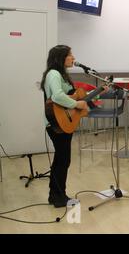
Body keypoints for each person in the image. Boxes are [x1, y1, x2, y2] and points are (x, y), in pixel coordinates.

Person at [40, 45, 89, 208]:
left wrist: (82, 101)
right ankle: (58, 197)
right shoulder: (54, 74)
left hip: (62, 121)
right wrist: (77, 103)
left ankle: (56, 195)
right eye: (70, 55)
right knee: (62, 160)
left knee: (62, 159)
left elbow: (68, 95)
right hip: (57, 122)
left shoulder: (60, 74)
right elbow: (58, 96)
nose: (73, 58)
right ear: (61, 57)